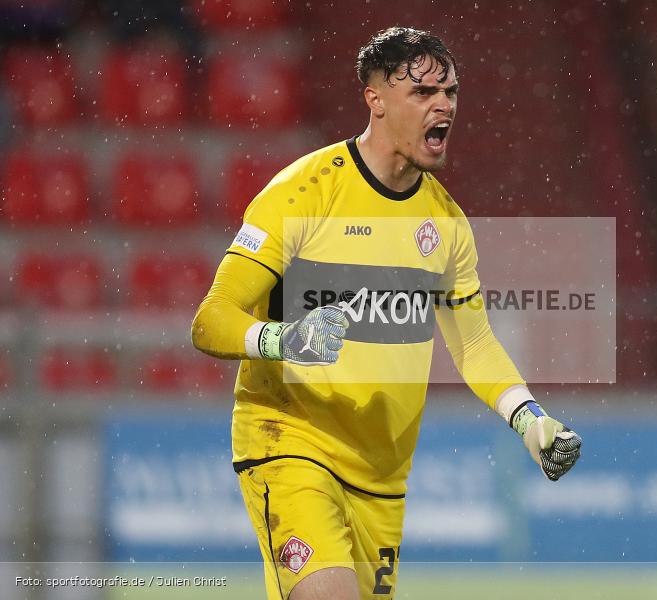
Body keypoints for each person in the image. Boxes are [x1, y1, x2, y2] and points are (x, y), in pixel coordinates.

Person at [191, 26, 582, 600]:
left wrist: (528, 417)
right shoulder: (304, 193)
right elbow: (211, 319)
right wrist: (284, 340)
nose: (444, 103)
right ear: (375, 100)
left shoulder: (446, 225)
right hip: (292, 442)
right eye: (423, 92)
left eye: (449, 91)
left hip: (382, 478)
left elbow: (474, 345)